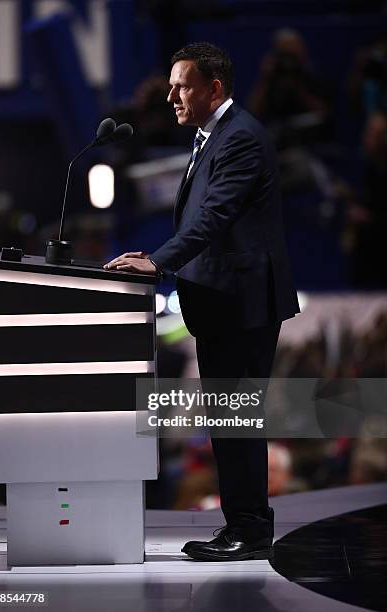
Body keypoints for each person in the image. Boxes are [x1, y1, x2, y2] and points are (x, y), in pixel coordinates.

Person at [104, 42, 300, 561]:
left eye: (182, 84)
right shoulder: (212, 137)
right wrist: (158, 255)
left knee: (236, 417)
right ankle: (244, 523)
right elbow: (202, 220)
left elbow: (213, 217)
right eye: (170, 84)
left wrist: (160, 262)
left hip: (241, 302)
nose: (171, 95)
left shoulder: (241, 139)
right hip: (222, 302)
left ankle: (251, 528)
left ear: (214, 87)